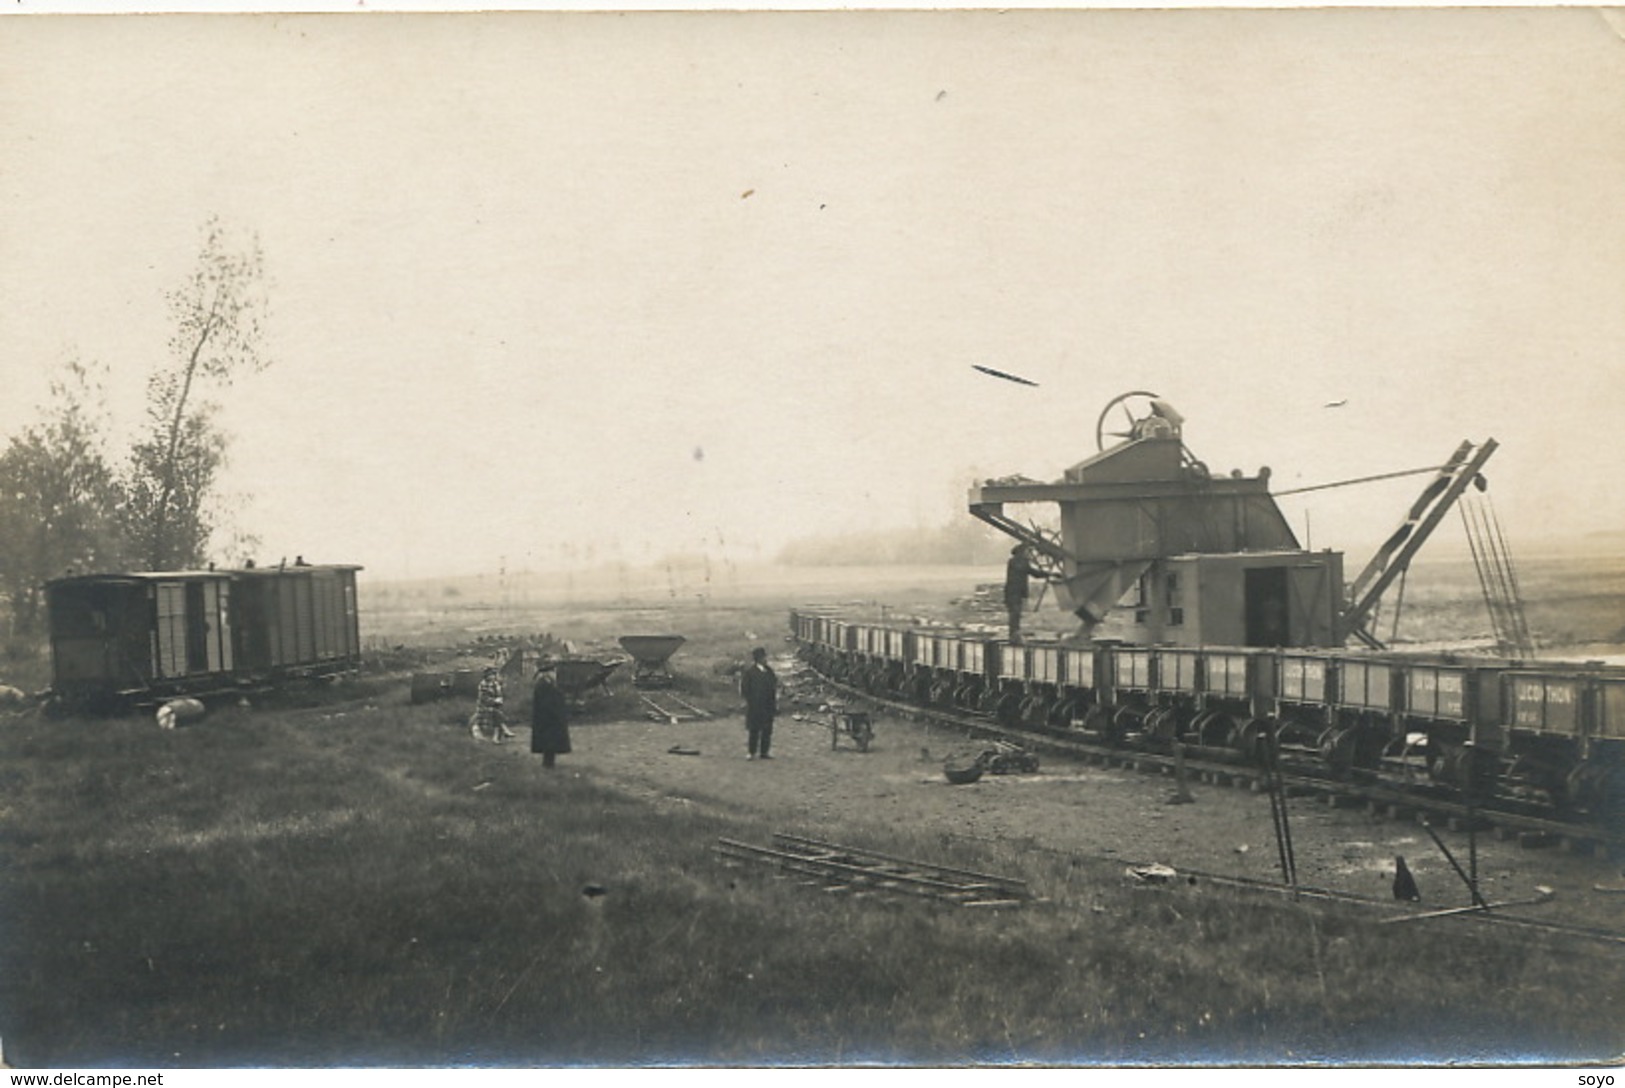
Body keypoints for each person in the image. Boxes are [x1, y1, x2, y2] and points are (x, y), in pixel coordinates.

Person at [1004, 545, 1049, 646]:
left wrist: (1048, 574)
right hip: (1013, 592)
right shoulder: (1016, 562)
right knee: (1015, 613)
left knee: (1016, 614)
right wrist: (1047, 573)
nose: (1029, 554)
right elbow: (1031, 571)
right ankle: (1014, 636)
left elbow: (1033, 573)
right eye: (1027, 552)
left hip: (1015, 592)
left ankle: (1014, 636)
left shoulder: (1017, 562)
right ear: (1021, 552)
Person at [530, 662, 571, 769]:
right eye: (553, 672)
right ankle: (548, 764)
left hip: (549, 718)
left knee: (550, 743)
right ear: (547, 673)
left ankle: (549, 763)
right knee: (549, 742)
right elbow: (548, 702)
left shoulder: (547, 684)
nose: (555, 674)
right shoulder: (544, 685)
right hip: (547, 719)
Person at [740, 646, 778, 760]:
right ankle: (751, 752)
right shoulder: (750, 673)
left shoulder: (769, 671)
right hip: (755, 706)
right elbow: (745, 688)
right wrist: (750, 700)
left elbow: (774, 685)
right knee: (754, 729)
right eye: (763, 657)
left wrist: (774, 701)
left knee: (767, 729)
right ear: (758, 659)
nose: (765, 659)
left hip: (768, 705)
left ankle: (764, 752)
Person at [471, 664, 513, 742]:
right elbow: (483, 698)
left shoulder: (495, 684)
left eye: (493, 675)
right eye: (490, 675)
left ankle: (497, 737)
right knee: (497, 714)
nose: (492, 677)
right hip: (484, 706)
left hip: (495, 706)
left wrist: (500, 699)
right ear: (486, 676)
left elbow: (499, 694)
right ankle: (504, 730)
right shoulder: (483, 685)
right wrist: (494, 701)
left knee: (496, 714)